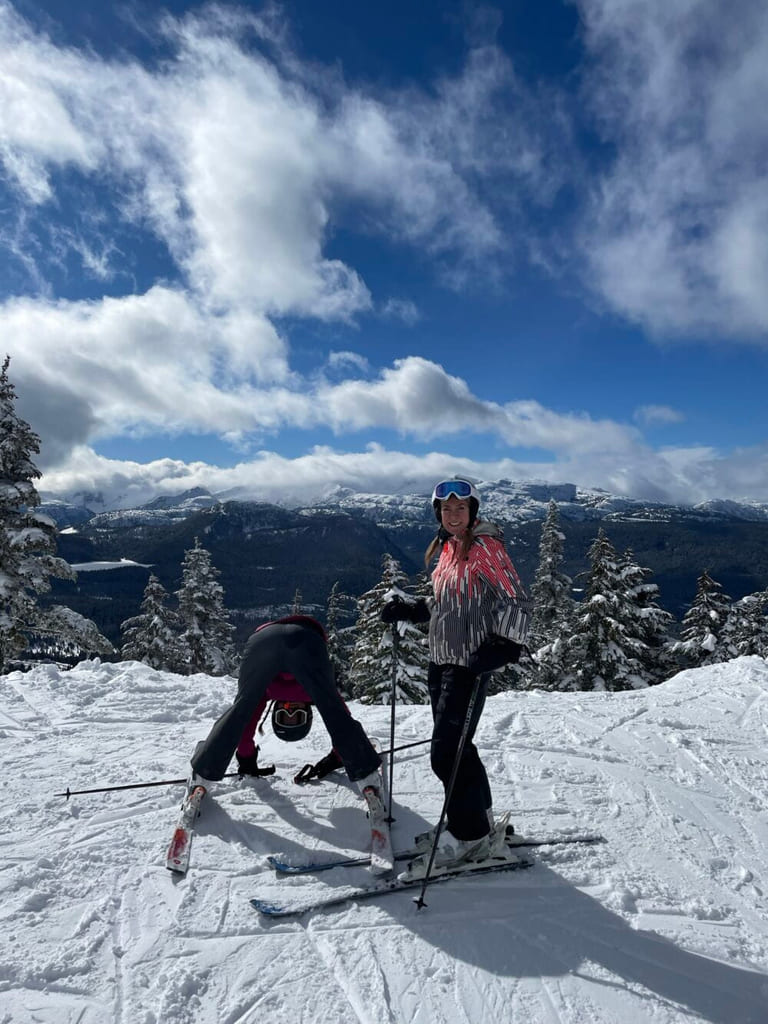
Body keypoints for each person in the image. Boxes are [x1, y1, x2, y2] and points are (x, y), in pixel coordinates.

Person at [381, 478, 531, 870]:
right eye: (446, 509)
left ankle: (470, 838)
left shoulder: (485, 547)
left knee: (446, 753)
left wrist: (504, 645)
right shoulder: (450, 548)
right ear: (438, 513)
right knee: (460, 747)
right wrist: (413, 609)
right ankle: (476, 821)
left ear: (473, 511)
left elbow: (514, 597)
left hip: (469, 662)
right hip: (442, 658)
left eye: (460, 508)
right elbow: (447, 601)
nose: (452, 515)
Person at [189, 614, 381, 794]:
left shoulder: (271, 691)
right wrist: (340, 756)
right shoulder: (298, 692)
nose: (291, 711)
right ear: (307, 712)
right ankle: (366, 772)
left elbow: (246, 721)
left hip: (267, 640)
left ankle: (205, 768)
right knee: (330, 709)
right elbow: (339, 717)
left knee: (242, 707)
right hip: (298, 639)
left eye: (287, 714)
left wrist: (246, 758)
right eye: (295, 714)